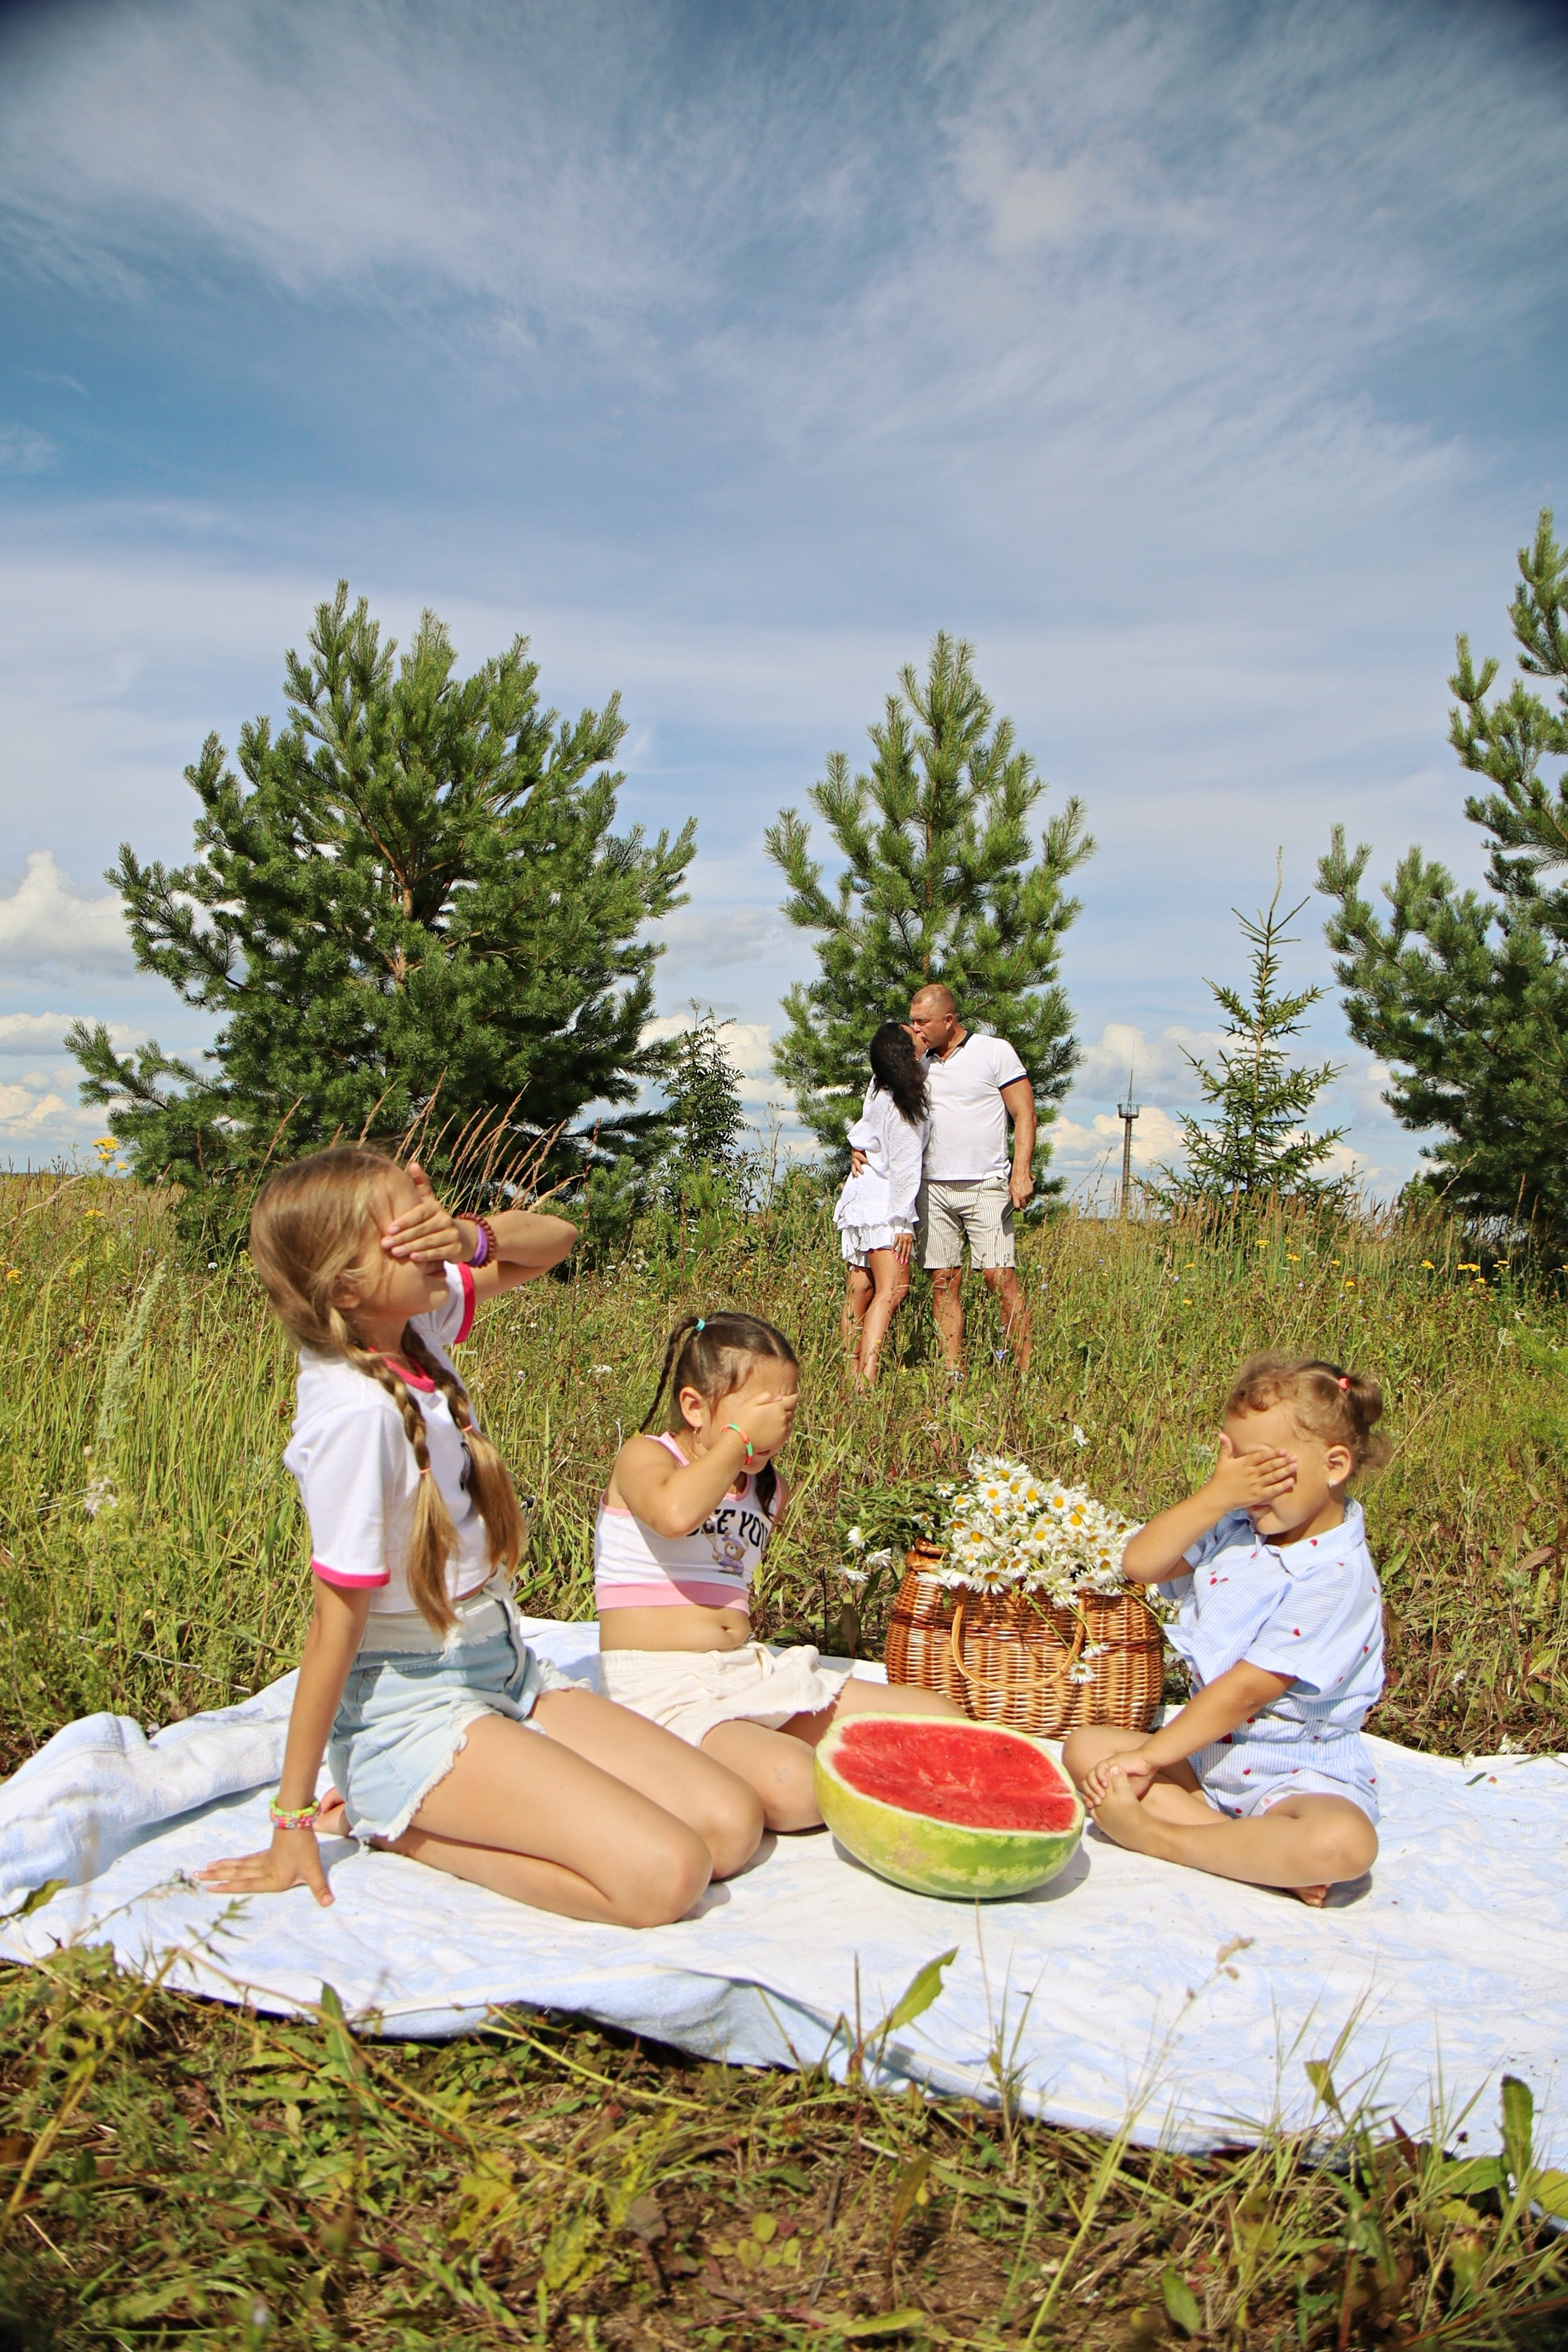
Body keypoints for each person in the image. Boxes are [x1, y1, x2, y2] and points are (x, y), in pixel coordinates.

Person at [199, 1147, 763, 1927]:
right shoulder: (355, 1415)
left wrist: (468, 1239)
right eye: (405, 1223)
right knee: (667, 1875)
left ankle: (445, 1793)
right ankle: (392, 1821)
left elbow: (556, 1239)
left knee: (730, 1826)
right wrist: (290, 1819)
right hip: (411, 1706)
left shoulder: (411, 1325)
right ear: (347, 1281)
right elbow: (335, 1622)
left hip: (505, 1669)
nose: (427, 1222)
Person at [596, 1311, 965, 1830]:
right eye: (760, 1414)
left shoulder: (769, 1490)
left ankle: (772, 1748)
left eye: (786, 1410)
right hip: (662, 1685)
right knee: (798, 1790)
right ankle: (691, 1761)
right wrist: (737, 1442)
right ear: (694, 1407)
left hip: (744, 1670)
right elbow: (674, 1515)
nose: (777, 1427)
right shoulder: (647, 1457)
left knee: (943, 1720)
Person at [1062, 1355, 1387, 1907]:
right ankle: (1248, 1854)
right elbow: (1141, 1564)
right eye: (1235, 1465)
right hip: (1209, 1764)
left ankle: (1161, 1838)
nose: (1247, 1487)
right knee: (1086, 1747)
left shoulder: (1337, 1575)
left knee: (1344, 1842)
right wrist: (1218, 1495)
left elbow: (1246, 1691)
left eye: (1263, 1470)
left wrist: (1150, 1758)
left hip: (1296, 1775)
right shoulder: (1238, 1523)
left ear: (1334, 1466)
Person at [862, 984, 1035, 1375]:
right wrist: (860, 1147)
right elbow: (877, 1108)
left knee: (998, 1276)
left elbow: (1025, 1112)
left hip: (986, 1184)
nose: (915, 1029)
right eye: (912, 1021)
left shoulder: (994, 1052)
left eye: (922, 1022)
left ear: (949, 1020)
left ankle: (1025, 1370)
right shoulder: (915, 1061)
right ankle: (951, 1373)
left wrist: (1021, 1172)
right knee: (944, 1280)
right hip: (932, 1187)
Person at [832, 1019, 930, 1385]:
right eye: (914, 1036)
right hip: (883, 1204)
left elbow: (865, 1132)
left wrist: (855, 1147)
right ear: (904, 1056)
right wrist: (904, 1221)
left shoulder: (878, 1088)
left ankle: (848, 1371)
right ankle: (867, 1376)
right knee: (895, 1288)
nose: (921, 1036)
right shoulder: (904, 1104)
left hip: (860, 1195)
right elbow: (906, 1166)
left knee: (862, 1287)